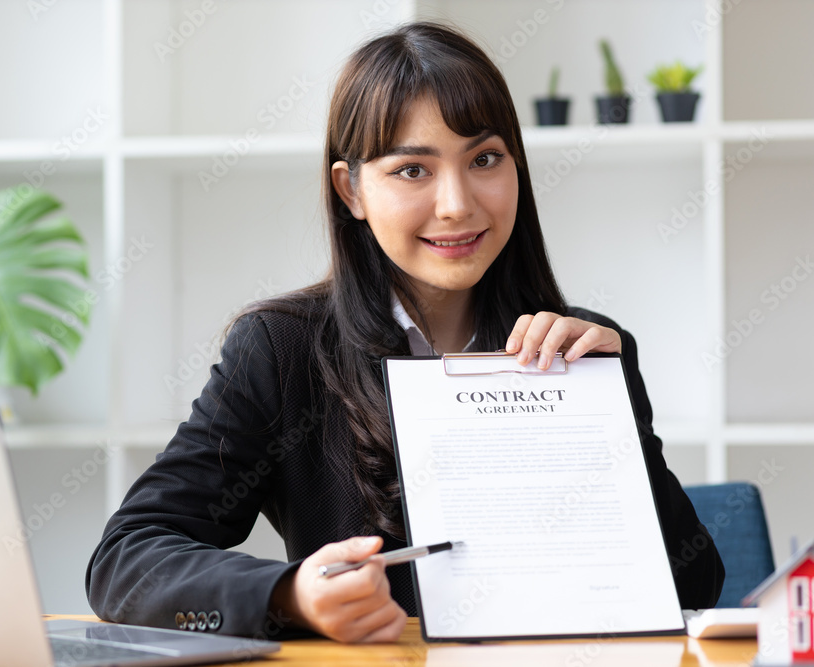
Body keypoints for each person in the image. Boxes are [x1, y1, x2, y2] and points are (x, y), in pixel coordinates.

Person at [86, 21, 724, 644]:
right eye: (412, 170)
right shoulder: (282, 350)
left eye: (485, 159)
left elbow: (694, 584)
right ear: (352, 191)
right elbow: (126, 558)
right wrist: (290, 595)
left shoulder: (584, 348)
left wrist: (612, 424)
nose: (457, 203)